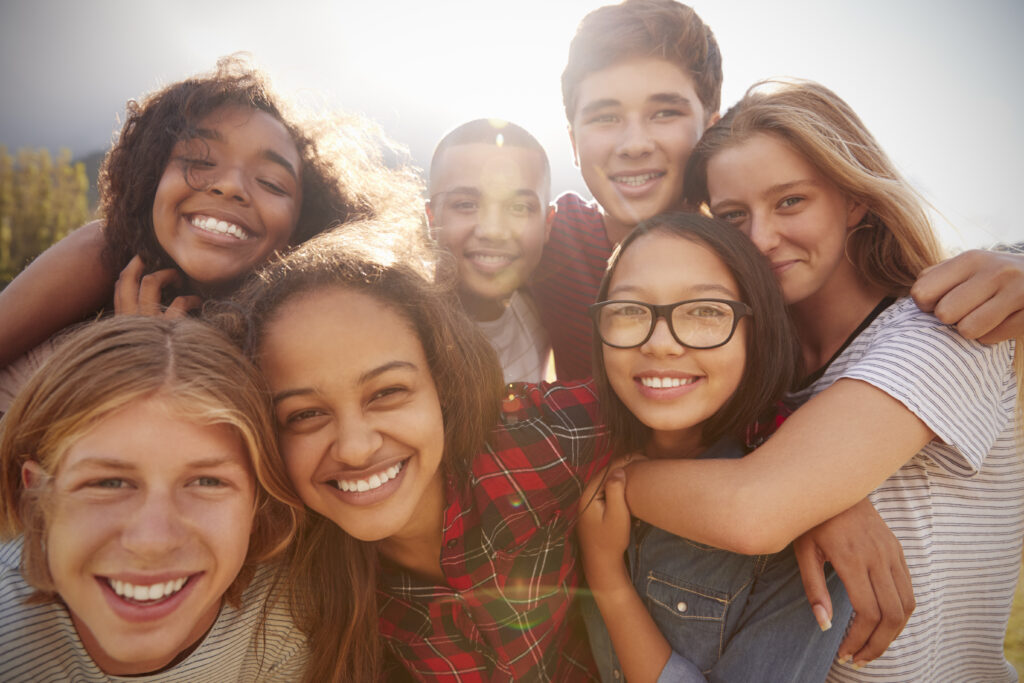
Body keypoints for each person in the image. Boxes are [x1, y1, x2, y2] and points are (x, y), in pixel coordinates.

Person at [605, 78, 1023, 681]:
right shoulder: (760, 369)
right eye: (732, 215)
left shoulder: (941, 331)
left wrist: (614, 485)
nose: (761, 238)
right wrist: (820, 499)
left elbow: (754, 509)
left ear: (854, 199)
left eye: (790, 202)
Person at [531, 0, 1024, 381]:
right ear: (573, 141)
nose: (635, 143)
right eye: (605, 117)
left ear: (710, 129)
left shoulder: (754, 258)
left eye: (665, 112)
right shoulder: (547, 241)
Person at [211, 220, 609, 681]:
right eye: (304, 415)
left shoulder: (534, 439)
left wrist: (647, 488)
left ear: (443, 380)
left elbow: (685, 421)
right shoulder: (294, 579)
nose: (356, 449)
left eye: (387, 392)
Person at [0, 55, 423, 408]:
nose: (231, 186)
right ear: (151, 179)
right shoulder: (101, 252)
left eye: (273, 183)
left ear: (303, 229)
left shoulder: (301, 342)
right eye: (200, 160)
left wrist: (148, 360)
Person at [578, 212, 850, 682]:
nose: (660, 344)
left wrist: (606, 577)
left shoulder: (802, 527)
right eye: (627, 310)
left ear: (755, 329)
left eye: (705, 310)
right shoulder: (570, 463)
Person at [0, 315, 305, 681]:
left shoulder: (283, 621)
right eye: (108, 483)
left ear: (257, 505)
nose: (153, 541)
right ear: (36, 499)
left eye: (207, 481)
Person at [427, 118, 554, 383]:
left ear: (548, 224)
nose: (493, 230)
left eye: (519, 207)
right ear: (431, 219)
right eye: (465, 204)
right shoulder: (401, 334)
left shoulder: (541, 310)